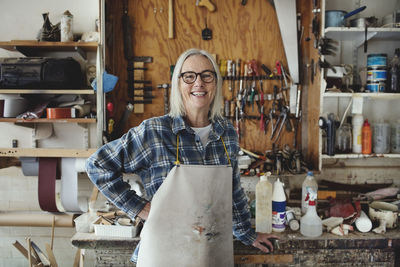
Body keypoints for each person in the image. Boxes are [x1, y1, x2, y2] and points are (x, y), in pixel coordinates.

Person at [86, 48, 279, 266]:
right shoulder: (155, 132)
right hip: (163, 253)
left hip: (210, 252)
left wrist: (247, 234)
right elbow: (97, 165)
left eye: (207, 75)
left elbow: (232, 192)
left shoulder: (227, 133)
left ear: (215, 84)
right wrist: (140, 208)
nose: (199, 83)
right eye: (189, 76)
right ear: (178, 84)